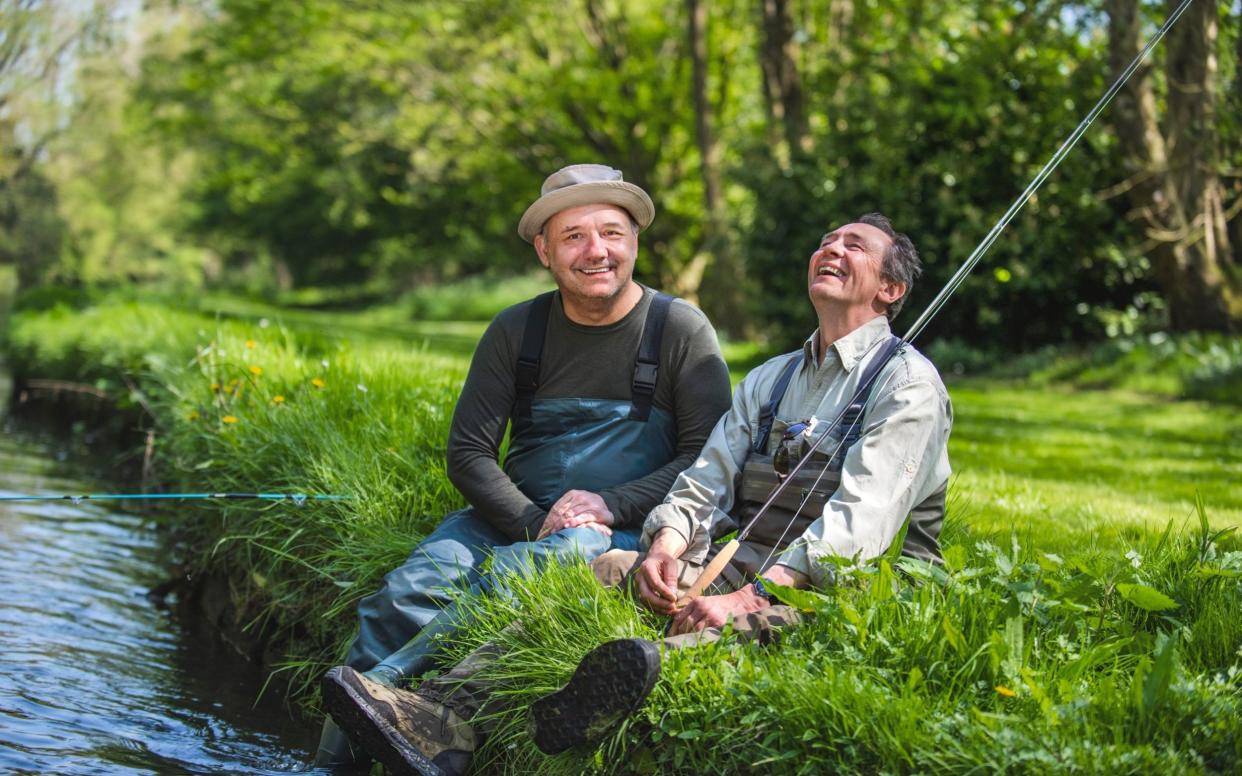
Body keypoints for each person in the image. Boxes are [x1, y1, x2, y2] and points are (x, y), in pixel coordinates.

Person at [321, 213, 952, 776]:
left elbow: (861, 524)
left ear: (891, 290)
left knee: (729, 628)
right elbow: (707, 478)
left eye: (855, 246)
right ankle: (444, 717)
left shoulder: (908, 386)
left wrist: (749, 598)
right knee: (594, 572)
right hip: (742, 561)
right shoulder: (773, 376)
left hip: (848, 588)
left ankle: (620, 684)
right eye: (826, 241)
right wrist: (667, 546)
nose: (832, 249)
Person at [313, 164, 733, 770]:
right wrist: (534, 520)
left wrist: (612, 504)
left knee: (517, 576)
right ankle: (336, 761)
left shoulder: (680, 330)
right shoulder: (516, 329)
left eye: (612, 233)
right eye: (574, 236)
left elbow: (707, 458)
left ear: (634, 242)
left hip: (628, 525)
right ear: (544, 249)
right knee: (400, 596)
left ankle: (391, 695)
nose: (597, 251)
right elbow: (469, 453)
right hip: (510, 518)